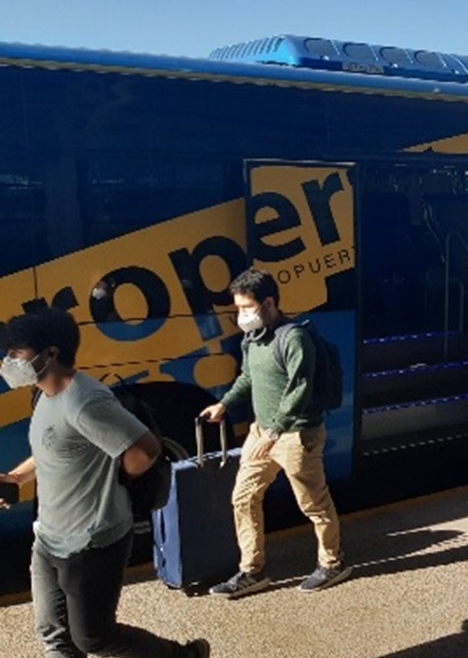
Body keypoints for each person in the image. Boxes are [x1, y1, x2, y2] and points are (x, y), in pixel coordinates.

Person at [0, 308, 209, 658]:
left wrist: (114, 483)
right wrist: (17, 477)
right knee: (54, 634)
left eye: (15, 354)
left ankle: (182, 656)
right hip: (49, 537)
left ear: (50, 354)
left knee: (93, 638)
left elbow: (146, 449)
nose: (8, 361)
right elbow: (56, 446)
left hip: (91, 544)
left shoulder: (85, 401)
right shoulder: (44, 395)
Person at [200, 268, 350, 598]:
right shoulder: (252, 339)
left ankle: (332, 563)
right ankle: (250, 571)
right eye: (237, 308)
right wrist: (223, 404)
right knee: (243, 497)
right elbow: (248, 377)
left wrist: (275, 432)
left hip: (297, 435)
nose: (241, 315)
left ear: (268, 303)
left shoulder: (294, 337)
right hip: (263, 432)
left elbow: (301, 388)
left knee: (313, 502)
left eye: (245, 307)